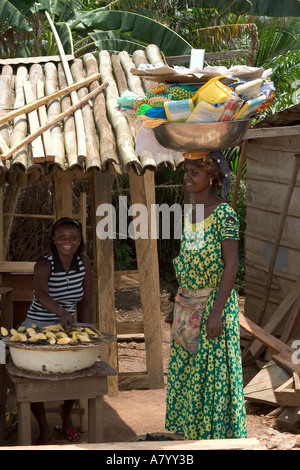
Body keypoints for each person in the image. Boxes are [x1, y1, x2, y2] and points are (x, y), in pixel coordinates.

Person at [165, 150, 247, 440]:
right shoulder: (189, 214)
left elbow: (232, 264)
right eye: (186, 170)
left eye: (194, 172)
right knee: (190, 373)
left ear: (211, 178)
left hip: (213, 303)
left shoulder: (225, 214)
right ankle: (193, 435)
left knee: (212, 376)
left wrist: (216, 313)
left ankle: (215, 438)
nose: (187, 176)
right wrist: (178, 302)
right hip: (188, 302)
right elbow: (188, 255)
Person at [21, 217, 93, 445]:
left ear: (80, 240)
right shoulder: (44, 264)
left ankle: (66, 417)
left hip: (69, 327)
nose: (67, 241)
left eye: (72, 237)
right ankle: (44, 428)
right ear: (54, 239)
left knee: (79, 367)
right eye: (61, 236)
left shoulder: (84, 262)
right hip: (37, 327)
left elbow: (87, 301)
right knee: (32, 375)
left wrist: (85, 330)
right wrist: (61, 312)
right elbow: (41, 295)